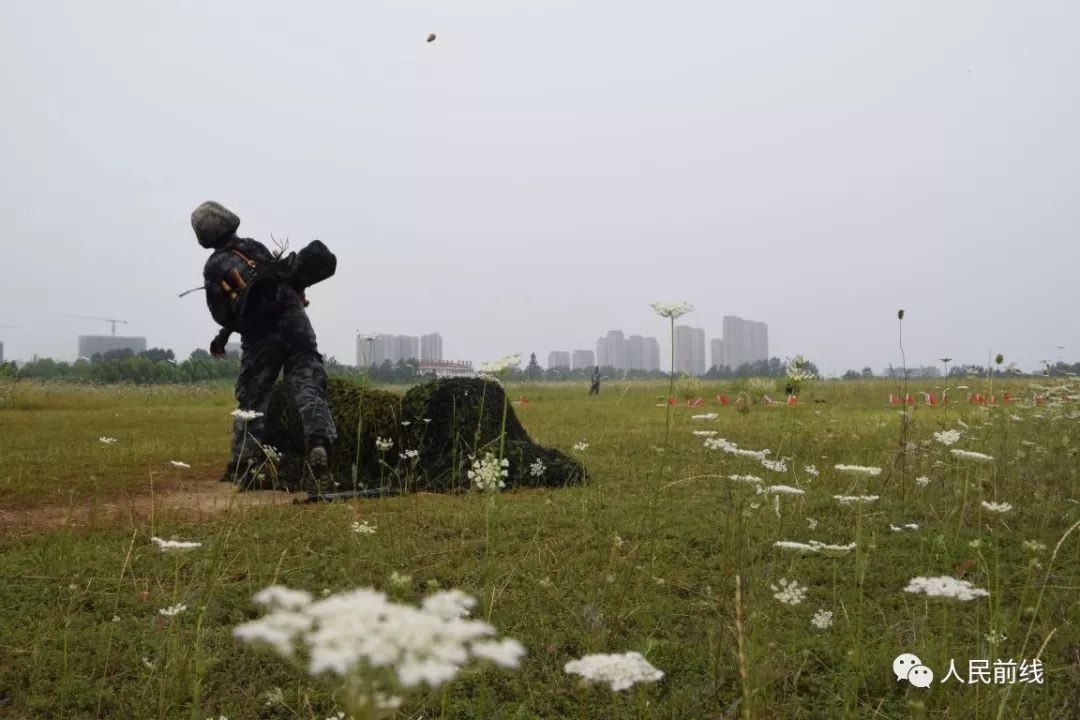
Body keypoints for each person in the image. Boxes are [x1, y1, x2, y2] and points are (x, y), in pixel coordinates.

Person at [191, 201, 338, 487]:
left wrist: (223, 336)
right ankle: (319, 442)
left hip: (260, 334)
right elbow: (281, 279)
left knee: (253, 399)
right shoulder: (253, 247)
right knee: (308, 386)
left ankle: (243, 465)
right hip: (295, 320)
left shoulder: (214, 266)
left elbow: (226, 312)